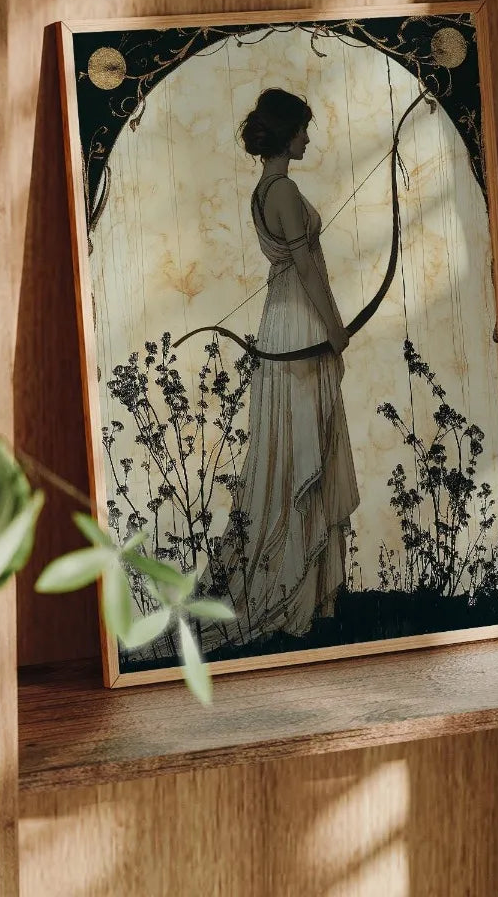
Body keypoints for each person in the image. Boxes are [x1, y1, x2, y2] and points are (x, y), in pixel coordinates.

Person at [206, 87, 361, 649]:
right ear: (287, 130)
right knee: (302, 447)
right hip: (299, 323)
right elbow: (309, 271)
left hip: (284, 320)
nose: (308, 138)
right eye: (304, 129)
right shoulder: (284, 189)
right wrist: (337, 329)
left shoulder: (263, 189)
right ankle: (288, 597)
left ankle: (311, 597)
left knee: (300, 444)